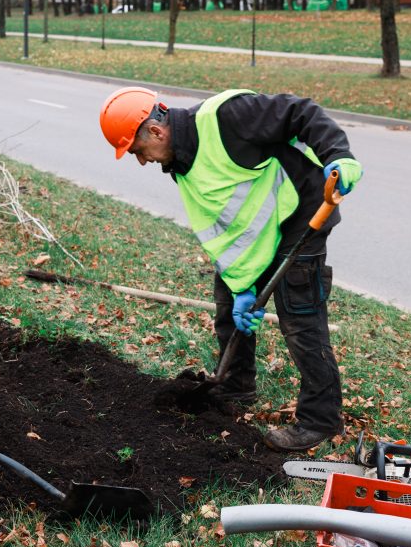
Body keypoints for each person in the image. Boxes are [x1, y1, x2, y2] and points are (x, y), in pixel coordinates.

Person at [99, 87, 363, 452]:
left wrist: (339, 156)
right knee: (228, 308)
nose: (142, 161)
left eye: (137, 151)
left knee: (300, 319)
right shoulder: (180, 163)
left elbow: (301, 112)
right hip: (259, 233)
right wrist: (242, 287)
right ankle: (237, 385)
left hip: (301, 218)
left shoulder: (227, 117)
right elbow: (225, 224)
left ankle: (320, 419)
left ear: (156, 132)